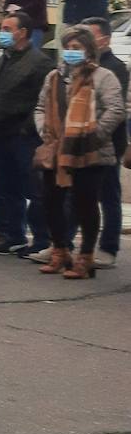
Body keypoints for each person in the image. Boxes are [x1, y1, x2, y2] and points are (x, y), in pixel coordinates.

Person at [33, 26, 124, 279]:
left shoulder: (103, 76)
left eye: (77, 48)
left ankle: (85, 257)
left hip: (90, 152)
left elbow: (115, 110)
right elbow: (41, 107)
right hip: (56, 149)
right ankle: (60, 250)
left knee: (85, 203)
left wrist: (93, 135)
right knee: (51, 201)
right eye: (68, 48)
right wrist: (45, 132)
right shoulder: (54, 77)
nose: (71, 53)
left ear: (89, 50)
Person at [0, 12, 56, 257]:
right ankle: (13, 235)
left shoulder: (39, 63)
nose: (2, 32)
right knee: (5, 187)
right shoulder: (2, 58)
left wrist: (26, 127)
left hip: (23, 135)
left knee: (34, 189)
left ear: (22, 32)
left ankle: (41, 238)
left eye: (7, 28)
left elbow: (43, 100)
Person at [83, 17, 126, 269]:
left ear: (105, 39)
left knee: (109, 195)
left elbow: (114, 108)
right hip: (79, 142)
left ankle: (109, 247)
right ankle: (64, 244)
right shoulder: (83, 67)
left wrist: (95, 132)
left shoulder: (114, 67)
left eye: (90, 35)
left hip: (107, 140)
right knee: (78, 196)